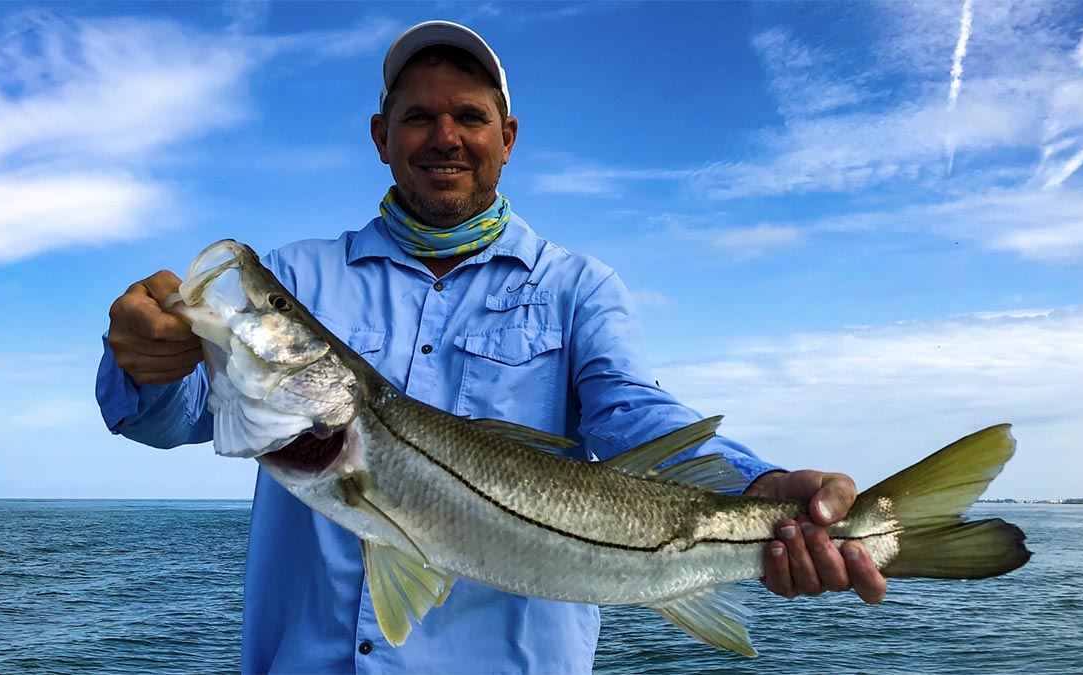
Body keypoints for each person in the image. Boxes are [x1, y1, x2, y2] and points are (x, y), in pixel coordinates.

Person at [96, 20, 886, 675]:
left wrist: (764, 486)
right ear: (381, 135)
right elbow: (168, 417)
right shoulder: (301, 274)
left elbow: (630, 412)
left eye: (470, 117)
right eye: (417, 117)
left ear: (506, 138)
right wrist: (143, 359)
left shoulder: (578, 286)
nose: (446, 137)